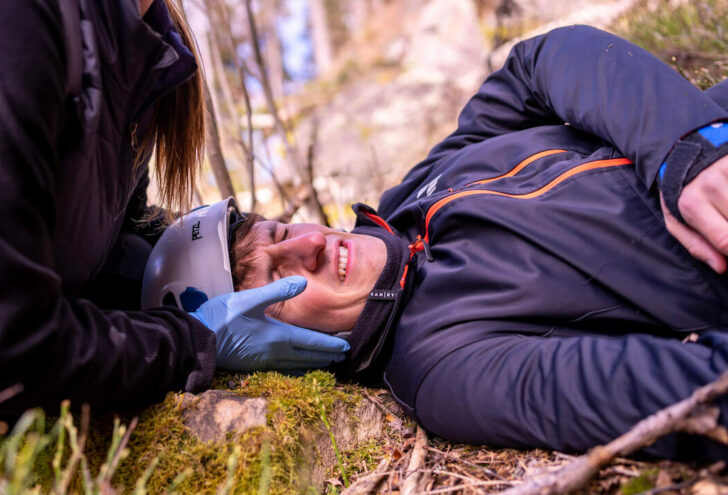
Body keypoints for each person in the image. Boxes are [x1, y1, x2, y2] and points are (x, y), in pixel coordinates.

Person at [144, 25, 728, 460]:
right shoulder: (444, 369)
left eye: (276, 232)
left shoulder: (409, 198)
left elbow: (536, 66)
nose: (309, 247)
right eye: (277, 283)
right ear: (281, 346)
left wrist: (684, 148)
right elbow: (685, 395)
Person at [0, 0, 350, 484]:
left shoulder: (143, 49)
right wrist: (190, 341)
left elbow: (110, 243)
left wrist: (223, 251)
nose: (312, 249)